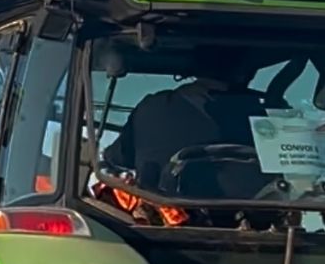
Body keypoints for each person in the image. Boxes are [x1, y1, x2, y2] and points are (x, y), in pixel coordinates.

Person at [102, 49, 270, 195]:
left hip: (163, 220)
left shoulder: (154, 106)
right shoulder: (261, 119)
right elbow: (285, 169)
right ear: (244, 72)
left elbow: (118, 157)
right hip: (257, 221)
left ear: (196, 68)